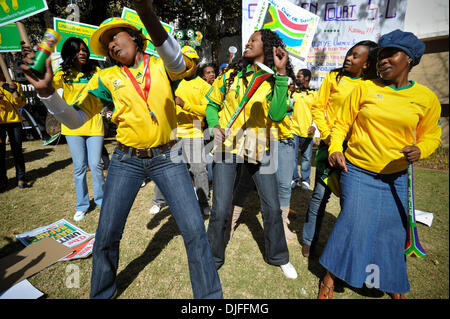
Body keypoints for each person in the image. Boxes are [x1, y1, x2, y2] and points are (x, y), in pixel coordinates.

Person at [21, 0, 222, 299]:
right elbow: (76, 118)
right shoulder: (105, 77)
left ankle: (209, 300)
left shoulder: (161, 65)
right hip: (125, 161)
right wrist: (48, 93)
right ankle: (102, 294)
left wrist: (147, 13)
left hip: (168, 157)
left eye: (115, 37)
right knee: (106, 235)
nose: (111, 45)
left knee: (194, 231)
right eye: (106, 43)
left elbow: (179, 62)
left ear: (135, 37)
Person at [318, 29, 441, 299]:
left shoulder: (426, 98)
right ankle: (329, 278)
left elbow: (432, 135)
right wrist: (336, 148)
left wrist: (421, 149)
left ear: (408, 59)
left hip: (396, 178)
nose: (382, 60)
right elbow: (341, 124)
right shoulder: (364, 88)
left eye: (390, 54)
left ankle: (387, 282)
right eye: (380, 55)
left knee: (391, 232)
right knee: (353, 223)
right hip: (359, 171)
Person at [206, 29, 298, 279]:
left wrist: (280, 74)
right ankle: (213, 255)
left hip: (260, 148)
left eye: (254, 40)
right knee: (221, 207)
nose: (248, 43)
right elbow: (212, 104)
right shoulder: (230, 74)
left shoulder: (277, 81)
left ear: (267, 48)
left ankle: (278, 256)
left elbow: (278, 115)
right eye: (248, 40)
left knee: (271, 206)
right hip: (227, 148)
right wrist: (215, 125)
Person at [301, 40, 378, 258]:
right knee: (319, 196)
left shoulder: (373, 85)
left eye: (355, 56)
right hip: (329, 147)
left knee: (350, 202)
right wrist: (327, 137)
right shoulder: (334, 78)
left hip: (356, 154)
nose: (348, 58)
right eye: (349, 54)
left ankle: (347, 247)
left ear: (366, 64)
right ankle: (309, 240)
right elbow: (318, 108)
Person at [150, 46, 212, 216]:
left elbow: (208, 110)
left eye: (190, 62)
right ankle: (159, 201)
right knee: (165, 169)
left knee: (199, 170)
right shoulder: (172, 82)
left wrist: (185, 105)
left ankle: (204, 202)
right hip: (173, 133)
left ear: (197, 64)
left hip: (195, 133)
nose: (186, 66)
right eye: (183, 62)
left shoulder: (204, 86)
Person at [52, 36, 105, 222]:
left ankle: (101, 200)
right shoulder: (62, 74)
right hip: (72, 127)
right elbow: (47, 87)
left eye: (84, 49)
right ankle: (82, 205)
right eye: (77, 50)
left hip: (94, 124)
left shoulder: (96, 71)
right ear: (70, 54)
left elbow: (105, 92)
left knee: (96, 164)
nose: (82, 52)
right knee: (80, 167)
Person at [291, 69, 317, 191]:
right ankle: (294, 179)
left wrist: (314, 126)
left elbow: (319, 113)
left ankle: (305, 180)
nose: (297, 78)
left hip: (307, 132)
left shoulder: (314, 94)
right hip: (293, 130)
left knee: (306, 158)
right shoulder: (293, 93)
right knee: (293, 156)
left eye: (299, 76)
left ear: (306, 78)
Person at [0, 74, 27, 191]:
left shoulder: (15, 84)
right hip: (0, 122)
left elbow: (22, 103)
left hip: (15, 122)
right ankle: (2, 180)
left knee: (17, 150)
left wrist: (14, 92)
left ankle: (21, 178)